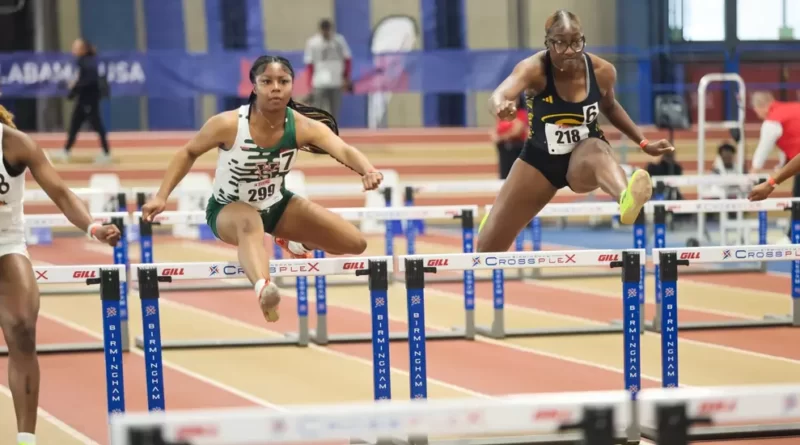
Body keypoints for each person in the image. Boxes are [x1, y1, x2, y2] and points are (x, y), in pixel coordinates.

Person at [140, 55, 382, 323]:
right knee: (249, 221)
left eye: (283, 81)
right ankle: (264, 289)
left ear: (292, 85)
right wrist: (161, 196)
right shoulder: (229, 124)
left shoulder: (302, 126)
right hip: (228, 209)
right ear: (254, 87)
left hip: (277, 204)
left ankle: (295, 243)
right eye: (267, 81)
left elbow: (343, 149)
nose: (275, 87)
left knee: (354, 242)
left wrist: (368, 170)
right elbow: (188, 152)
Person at [477, 9, 674, 251]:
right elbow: (500, 94)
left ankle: (626, 199)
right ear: (548, 43)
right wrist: (501, 106)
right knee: (487, 250)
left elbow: (610, 107)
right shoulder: (533, 69)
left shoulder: (602, 72)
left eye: (576, 42)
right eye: (561, 43)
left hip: (583, 159)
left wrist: (644, 143)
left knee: (596, 146)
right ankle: (496, 220)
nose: (570, 51)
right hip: (539, 162)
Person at [0, 105, 120, 445]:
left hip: (5, 243)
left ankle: (26, 439)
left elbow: (62, 193)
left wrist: (93, 227)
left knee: (22, 328)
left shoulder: (15, 144)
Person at [53, 37, 111, 164]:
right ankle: (66, 151)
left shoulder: (88, 62)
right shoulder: (83, 62)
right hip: (83, 100)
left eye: (76, 47)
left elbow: (89, 81)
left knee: (97, 125)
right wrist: (73, 91)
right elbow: (82, 81)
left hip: (89, 101)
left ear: (83, 50)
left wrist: (74, 87)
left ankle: (106, 153)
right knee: (74, 125)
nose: (73, 49)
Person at [303, 19, 353, 120]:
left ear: (331, 29)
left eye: (328, 30)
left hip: (336, 82)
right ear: (320, 30)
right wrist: (309, 85)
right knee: (317, 111)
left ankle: (332, 131)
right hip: (319, 82)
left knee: (334, 112)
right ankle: (318, 132)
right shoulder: (313, 43)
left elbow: (347, 60)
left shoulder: (339, 41)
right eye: (324, 30)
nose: (326, 32)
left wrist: (346, 78)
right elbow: (310, 65)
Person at [490, 94, 527, 179]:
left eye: (513, 99)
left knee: (516, 174)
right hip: (503, 147)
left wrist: (501, 137)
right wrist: (495, 136)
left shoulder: (521, 113)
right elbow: (496, 128)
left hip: (516, 147)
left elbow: (517, 130)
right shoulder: (501, 114)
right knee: (504, 173)